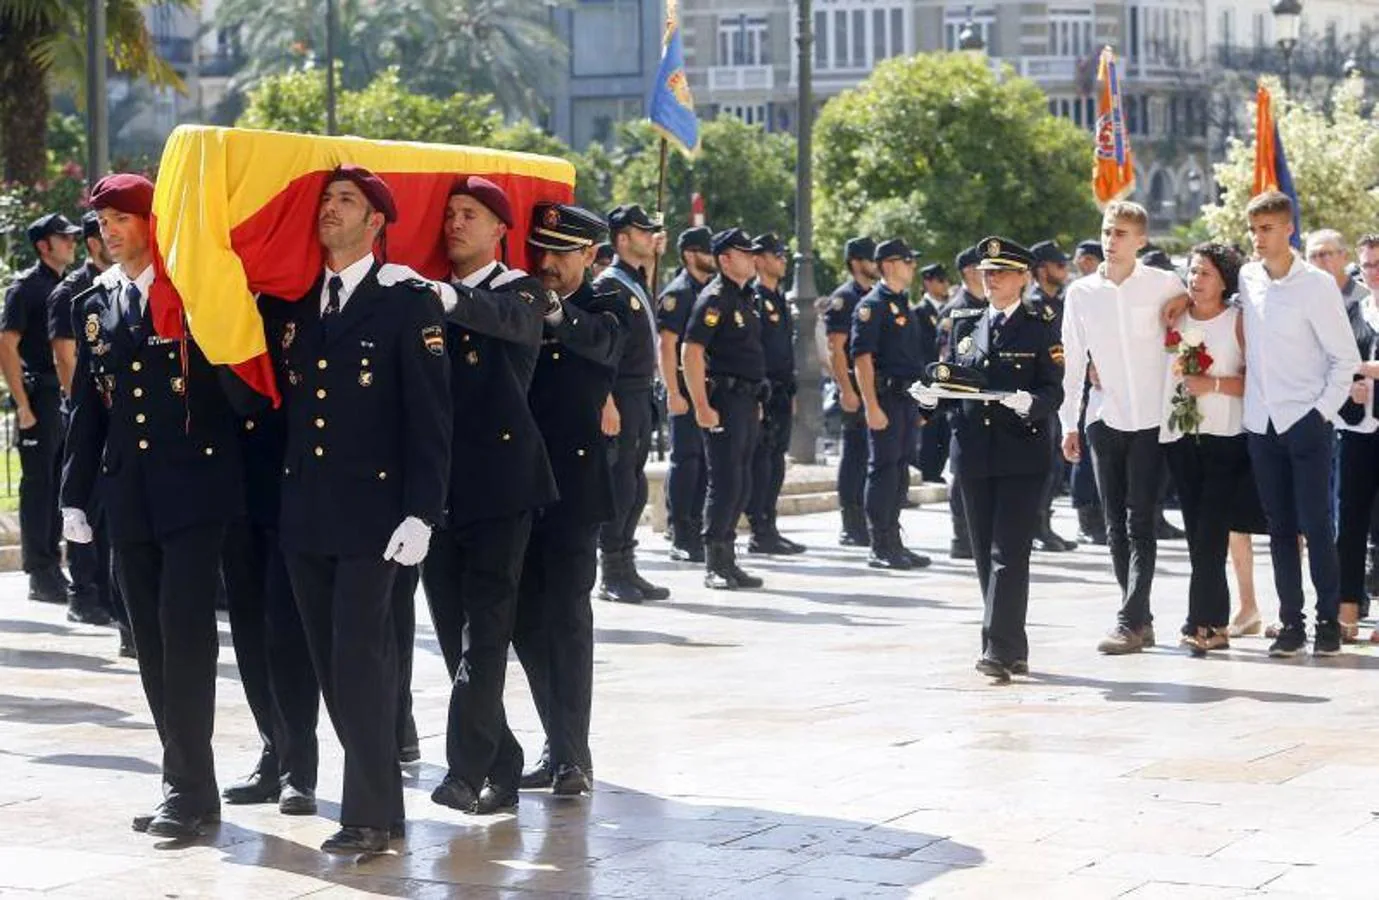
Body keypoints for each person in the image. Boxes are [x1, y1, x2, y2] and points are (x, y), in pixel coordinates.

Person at [260, 165, 451, 853]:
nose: (329, 211)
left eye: (346, 202)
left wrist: (421, 513)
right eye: (326, 200)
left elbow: (431, 416)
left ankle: (368, 815)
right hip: (307, 511)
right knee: (329, 660)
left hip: (377, 516)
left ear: (376, 222)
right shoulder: (297, 300)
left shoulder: (404, 301)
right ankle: (381, 804)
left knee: (360, 657)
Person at [61, 173, 245, 838]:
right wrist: (73, 497)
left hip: (194, 490)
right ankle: (188, 782)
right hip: (128, 493)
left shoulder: (190, 293)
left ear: (151, 223)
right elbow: (88, 406)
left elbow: (233, 388)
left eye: (121, 219)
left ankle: (187, 788)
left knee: (185, 637)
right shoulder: (93, 303)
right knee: (148, 642)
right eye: (102, 222)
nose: (109, 232)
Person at [406, 176, 556, 818]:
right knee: (449, 634)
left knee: (485, 633)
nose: (454, 224)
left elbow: (511, 323)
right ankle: (505, 760)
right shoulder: (428, 295)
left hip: (501, 484)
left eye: (469, 214)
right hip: (441, 489)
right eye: (449, 215)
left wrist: (446, 295)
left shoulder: (522, 290)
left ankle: (464, 772)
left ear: (501, 228)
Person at [514, 203, 625, 797]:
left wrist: (554, 311)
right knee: (525, 622)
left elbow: (603, 345)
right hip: (520, 482)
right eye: (542, 251)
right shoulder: (521, 296)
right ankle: (556, 742)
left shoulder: (607, 303)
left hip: (575, 489)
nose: (548, 263)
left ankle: (573, 754)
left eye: (562, 252)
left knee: (568, 620)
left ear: (589, 255)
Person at [917, 236, 1064, 683]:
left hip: (1021, 451)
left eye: (1000, 271)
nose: (990, 277)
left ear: (1022, 278)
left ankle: (996, 649)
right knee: (984, 553)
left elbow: (1054, 388)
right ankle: (1013, 646)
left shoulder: (1041, 324)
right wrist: (929, 399)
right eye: (986, 271)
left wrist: (1031, 403)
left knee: (1009, 552)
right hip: (973, 454)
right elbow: (955, 387)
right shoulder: (964, 323)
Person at [1060, 201, 1187, 655]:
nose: (1110, 241)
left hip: (1152, 419)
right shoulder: (1081, 293)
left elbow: (1201, 306)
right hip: (1103, 417)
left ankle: (1129, 620)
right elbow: (1073, 362)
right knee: (1115, 523)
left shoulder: (1165, 283)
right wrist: (1068, 423)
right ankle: (1140, 618)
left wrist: (1184, 303)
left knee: (1141, 519)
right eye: (1106, 231)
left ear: (1140, 241)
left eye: (1120, 234)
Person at [1237, 192, 1359, 657]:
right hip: (1261, 422)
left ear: (1289, 229)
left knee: (1316, 524)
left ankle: (1328, 621)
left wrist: (1320, 413)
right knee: (1280, 528)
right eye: (1253, 229)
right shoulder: (1248, 278)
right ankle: (1291, 623)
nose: (1258, 238)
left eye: (1266, 228)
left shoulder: (1317, 286)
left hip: (1306, 421)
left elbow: (1343, 358)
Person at [1158, 243, 1266, 655]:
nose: (1195, 280)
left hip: (1227, 437)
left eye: (1204, 273)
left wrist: (1214, 385)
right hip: (1183, 437)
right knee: (1197, 535)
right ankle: (1211, 622)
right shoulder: (1175, 316)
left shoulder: (1239, 321)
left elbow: (1257, 381)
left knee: (1210, 532)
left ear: (1224, 279)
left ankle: (1202, 621)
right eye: (1192, 272)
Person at [219, 400, 321, 815]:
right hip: (231, 474)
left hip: (287, 469)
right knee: (247, 626)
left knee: (287, 628)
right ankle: (272, 750)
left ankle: (298, 767)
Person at [46, 212, 121, 630]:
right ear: (97, 242)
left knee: (110, 512)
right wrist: (84, 408)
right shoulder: (73, 290)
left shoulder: (120, 283)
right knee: (85, 505)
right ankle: (83, 593)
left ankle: (108, 593)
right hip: (85, 412)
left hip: (117, 414)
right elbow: (65, 356)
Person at [682, 228, 767, 590]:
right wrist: (700, 404)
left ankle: (729, 559)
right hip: (725, 401)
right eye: (744, 253)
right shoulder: (714, 298)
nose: (752, 258)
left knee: (742, 480)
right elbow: (691, 351)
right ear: (725, 259)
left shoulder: (745, 297)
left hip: (746, 400)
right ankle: (714, 561)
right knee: (725, 481)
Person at [3, 212, 81, 605]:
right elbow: (6, 345)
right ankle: (40, 571)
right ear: (43, 245)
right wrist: (22, 404)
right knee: (39, 487)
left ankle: (53, 565)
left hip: (60, 397)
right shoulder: (26, 289)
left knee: (58, 486)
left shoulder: (65, 287)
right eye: (62, 238)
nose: (71, 243)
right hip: (39, 396)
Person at [595, 204, 669, 603]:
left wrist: (657, 256)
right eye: (643, 232)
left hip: (640, 392)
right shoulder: (609, 285)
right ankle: (611, 573)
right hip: (619, 392)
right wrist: (606, 401)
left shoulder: (633, 280)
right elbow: (601, 352)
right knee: (619, 484)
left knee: (635, 485)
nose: (650, 237)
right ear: (622, 238)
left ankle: (627, 566)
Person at [851, 239, 933, 570]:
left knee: (899, 472)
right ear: (888, 265)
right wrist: (870, 405)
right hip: (884, 398)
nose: (913, 266)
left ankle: (894, 539)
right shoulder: (873, 305)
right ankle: (880, 543)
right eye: (907, 261)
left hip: (906, 399)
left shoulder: (904, 306)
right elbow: (862, 359)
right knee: (883, 471)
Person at [657, 225, 715, 563]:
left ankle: (697, 527)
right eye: (707, 252)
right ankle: (681, 532)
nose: (713, 259)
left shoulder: (711, 292)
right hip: (684, 389)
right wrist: (673, 391)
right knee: (686, 462)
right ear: (691, 254)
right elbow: (667, 346)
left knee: (706, 463)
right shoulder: (678, 293)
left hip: (707, 389)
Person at [745, 232, 805, 555]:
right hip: (764, 390)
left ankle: (770, 523)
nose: (783, 260)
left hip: (782, 390)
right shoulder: (754, 297)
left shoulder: (778, 297)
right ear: (759, 259)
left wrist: (792, 390)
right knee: (762, 461)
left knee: (776, 460)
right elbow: (756, 349)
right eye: (777, 255)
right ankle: (759, 528)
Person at [1337, 233, 1379, 642]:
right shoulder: (1353, 312)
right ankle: (1346, 609)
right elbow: (1340, 366)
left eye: (1377, 265)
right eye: (1366, 266)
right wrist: (1351, 386)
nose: (1372, 272)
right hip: (1355, 430)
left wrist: (1370, 374)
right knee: (1348, 523)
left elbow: (1363, 366)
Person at [823, 237, 877, 547]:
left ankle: (868, 520)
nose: (876, 266)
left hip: (873, 387)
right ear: (857, 263)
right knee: (855, 455)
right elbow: (836, 349)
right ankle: (851, 523)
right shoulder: (844, 298)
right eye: (871, 260)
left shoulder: (874, 296)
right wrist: (846, 388)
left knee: (871, 456)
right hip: (855, 389)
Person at [938, 245, 989, 560]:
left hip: (983, 402)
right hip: (963, 402)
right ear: (971, 271)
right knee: (963, 470)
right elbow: (946, 360)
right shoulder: (956, 310)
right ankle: (961, 535)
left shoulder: (985, 306)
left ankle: (975, 532)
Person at [1027, 240, 1077, 553]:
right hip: (1040, 395)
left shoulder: (1058, 304)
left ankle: (1043, 524)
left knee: (1053, 467)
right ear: (1043, 269)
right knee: (1042, 465)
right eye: (1059, 265)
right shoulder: (1033, 306)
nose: (1065, 270)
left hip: (1058, 394)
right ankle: (1035, 526)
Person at [914, 263, 951, 484]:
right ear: (928, 282)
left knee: (943, 430)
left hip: (945, 380)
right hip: (927, 379)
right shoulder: (919, 312)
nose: (945, 284)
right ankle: (925, 470)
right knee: (928, 430)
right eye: (940, 280)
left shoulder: (948, 310)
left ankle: (935, 470)